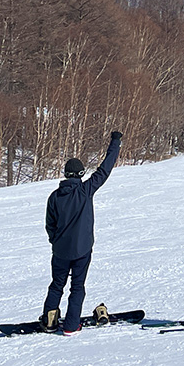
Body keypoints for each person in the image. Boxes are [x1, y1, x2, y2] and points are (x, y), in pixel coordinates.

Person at [42, 131, 122, 335]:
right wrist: (115, 142)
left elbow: (49, 224)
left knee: (56, 285)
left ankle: (50, 321)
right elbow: (104, 170)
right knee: (77, 287)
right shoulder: (85, 191)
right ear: (80, 174)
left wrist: (55, 241)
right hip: (82, 250)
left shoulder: (54, 197)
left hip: (60, 251)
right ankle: (70, 326)